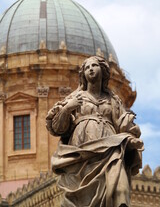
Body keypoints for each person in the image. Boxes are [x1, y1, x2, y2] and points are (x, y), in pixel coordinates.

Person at [46, 56, 144, 207]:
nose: (91, 69)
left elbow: (122, 123)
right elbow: (57, 128)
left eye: (94, 66)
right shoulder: (75, 97)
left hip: (111, 150)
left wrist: (131, 131)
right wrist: (67, 108)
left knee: (121, 189)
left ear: (103, 71)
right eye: (87, 67)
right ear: (83, 74)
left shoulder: (113, 100)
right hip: (82, 152)